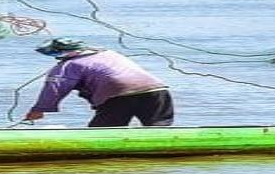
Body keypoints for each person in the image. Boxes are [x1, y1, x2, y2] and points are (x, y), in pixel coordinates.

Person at [23, 38, 173, 127]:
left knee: (103, 131)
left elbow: (54, 89)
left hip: (119, 95)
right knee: (158, 127)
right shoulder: (109, 54)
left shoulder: (67, 66)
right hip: (157, 90)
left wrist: (39, 110)